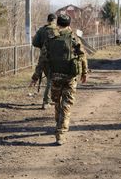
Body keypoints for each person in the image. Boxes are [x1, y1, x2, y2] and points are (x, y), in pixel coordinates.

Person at [31, 14, 88, 145]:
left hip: (55, 76)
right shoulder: (74, 38)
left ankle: (58, 124)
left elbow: (42, 59)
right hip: (69, 77)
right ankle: (60, 134)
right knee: (66, 105)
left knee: (57, 103)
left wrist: (36, 76)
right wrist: (84, 73)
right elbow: (83, 55)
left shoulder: (51, 38)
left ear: (58, 24)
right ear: (69, 24)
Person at [30, 13, 57, 109]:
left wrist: (43, 46)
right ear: (55, 20)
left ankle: (51, 99)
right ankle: (46, 101)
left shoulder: (42, 30)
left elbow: (34, 43)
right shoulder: (57, 30)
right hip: (55, 58)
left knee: (51, 79)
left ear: (47, 20)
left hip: (43, 58)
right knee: (51, 79)